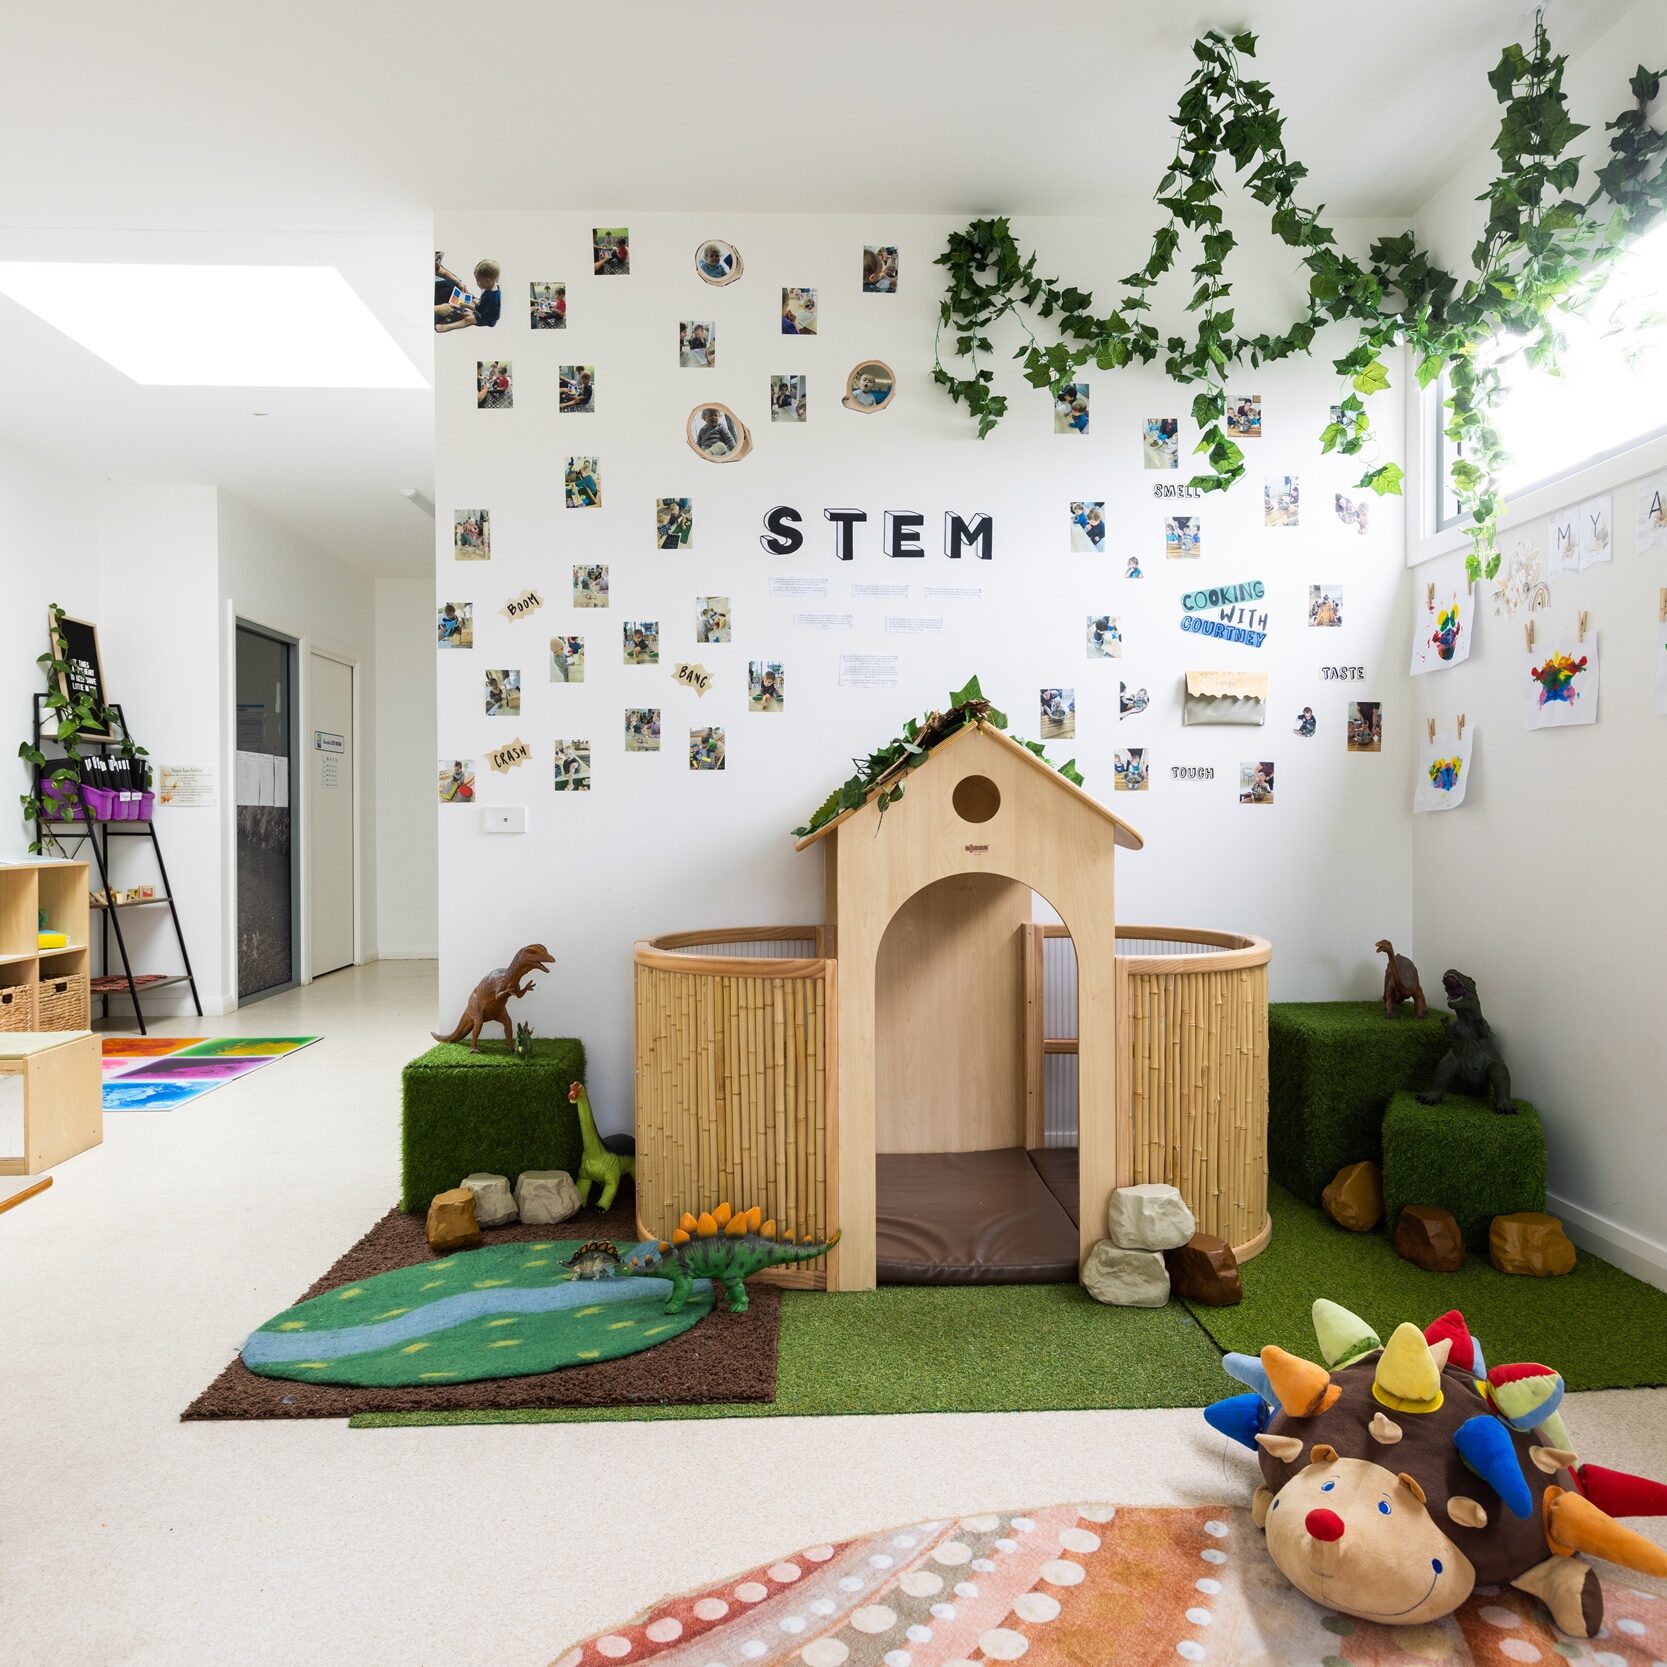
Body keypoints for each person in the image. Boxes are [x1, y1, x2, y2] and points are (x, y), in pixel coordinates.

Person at [437, 259, 501, 332]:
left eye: (478, 281)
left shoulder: (491, 296)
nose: (477, 283)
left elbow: (480, 310)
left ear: (488, 281)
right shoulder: (494, 287)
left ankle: (447, 327)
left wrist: (466, 305)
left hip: (488, 318)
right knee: (468, 311)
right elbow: (486, 303)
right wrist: (474, 299)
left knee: (468, 319)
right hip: (486, 310)